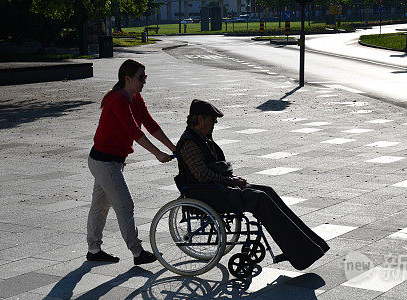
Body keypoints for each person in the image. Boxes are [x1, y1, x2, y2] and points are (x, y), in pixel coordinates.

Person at [175, 99, 329, 270]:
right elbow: (202, 175)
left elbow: (220, 166)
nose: (215, 123)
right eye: (213, 119)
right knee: (260, 198)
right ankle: (299, 252)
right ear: (201, 119)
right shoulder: (189, 143)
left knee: (267, 191)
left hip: (219, 188)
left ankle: (308, 245)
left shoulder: (203, 138)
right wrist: (231, 181)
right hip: (208, 193)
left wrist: (233, 179)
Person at [86, 59, 176, 265]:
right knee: (125, 205)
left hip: (109, 162)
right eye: (141, 77)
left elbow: (150, 124)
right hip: (104, 162)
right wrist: (157, 153)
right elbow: (135, 132)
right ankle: (137, 252)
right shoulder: (118, 100)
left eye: (145, 77)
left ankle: (93, 249)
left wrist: (172, 148)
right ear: (128, 79)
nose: (144, 81)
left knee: (100, 206)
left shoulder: (135, 98)